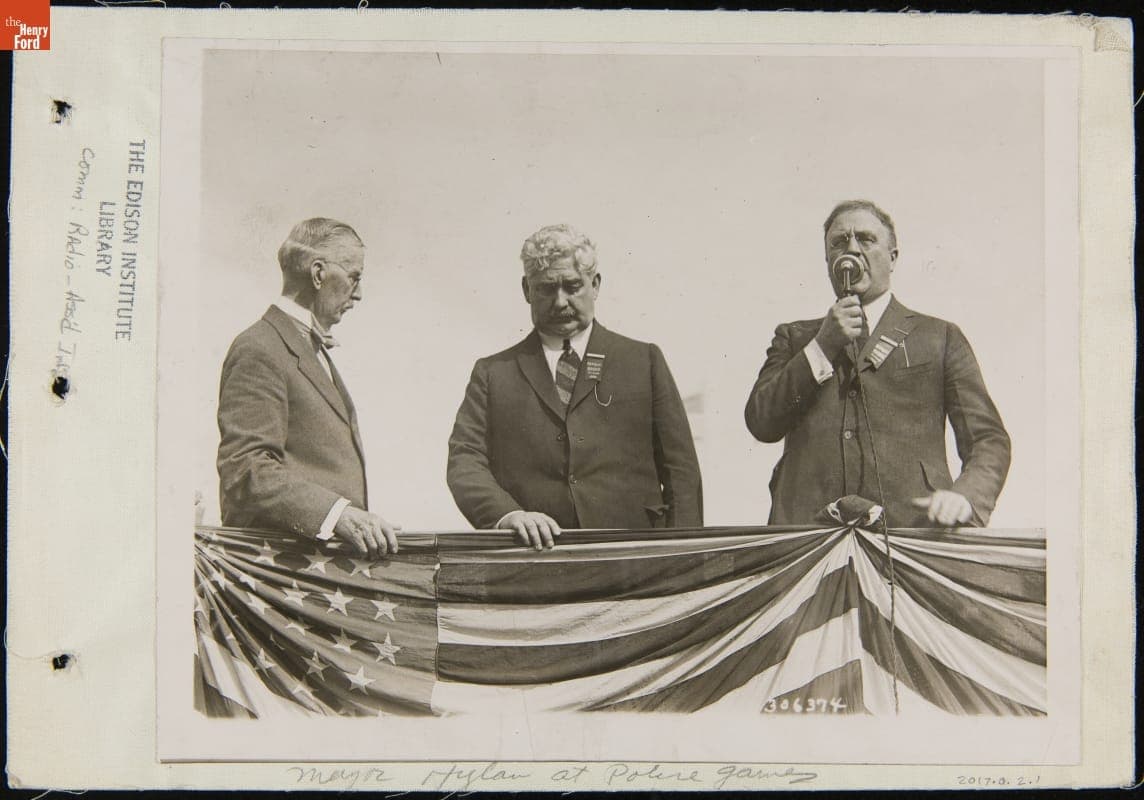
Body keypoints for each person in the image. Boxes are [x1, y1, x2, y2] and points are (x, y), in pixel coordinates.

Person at [744, 200, 1010, 528]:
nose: (852, 249)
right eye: (839, 242)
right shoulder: (795, 338)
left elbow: (988, 439)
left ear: (893, 257)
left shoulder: (940, 336)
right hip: (807, 538)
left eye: (866, 240)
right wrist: (822, 345)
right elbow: (761, 422)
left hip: (911, 534)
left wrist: (966, 496)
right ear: (828, 259)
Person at [447, 224, 703, 549]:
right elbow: (464, 460)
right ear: (526, 290)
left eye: (572, 286)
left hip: (634, 559)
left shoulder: (644, 360)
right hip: (533, 560)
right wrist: (508, 515)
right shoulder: (493, 373)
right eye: (546, 288)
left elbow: (681, 470)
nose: (560, 301)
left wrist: (684, 554)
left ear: (595, 285)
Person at [216, 217, 400, 557]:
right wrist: (337, 514)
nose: (358, 293)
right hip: (284, 574)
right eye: (353, 277)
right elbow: (245, 468)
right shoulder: (260, 347)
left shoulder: (305, 349)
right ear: (318, 274)